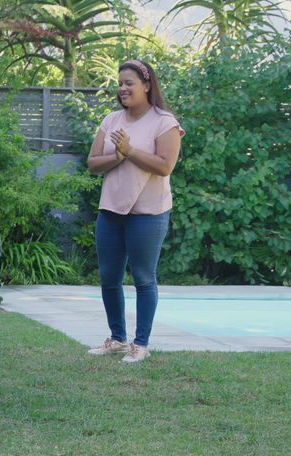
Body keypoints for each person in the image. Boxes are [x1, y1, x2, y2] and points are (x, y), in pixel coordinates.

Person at [86, 59, 183, 363]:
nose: (122, 89)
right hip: (111, 211)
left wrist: (130, 151)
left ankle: (140, 344)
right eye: (120, 84)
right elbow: (92, 163)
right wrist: (118, 156)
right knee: (109, 278)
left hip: (148, 213)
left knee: (143, 278)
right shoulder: (111, 120)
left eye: (129, 83)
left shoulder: (164, 122)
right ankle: (117, 339)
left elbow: (165, 166)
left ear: (147, 85)